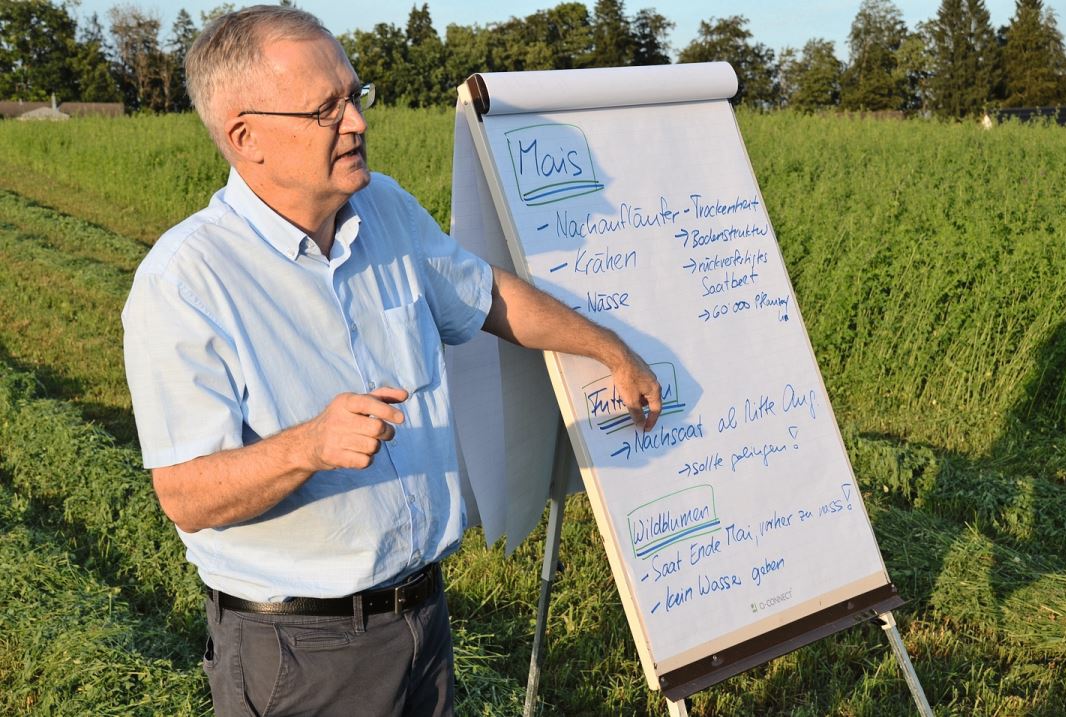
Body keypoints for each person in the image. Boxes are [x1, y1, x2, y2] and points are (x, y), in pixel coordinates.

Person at [121, 5, 661, 716]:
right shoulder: (186, 283)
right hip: (299, 653)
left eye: (354, 94)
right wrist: (309, 445)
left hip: (423, 619)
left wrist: (608, 347)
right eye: (326, 109)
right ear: (245, 136)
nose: (357, 122)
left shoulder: (386, 212)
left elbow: (487, 296)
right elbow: (185, 493)